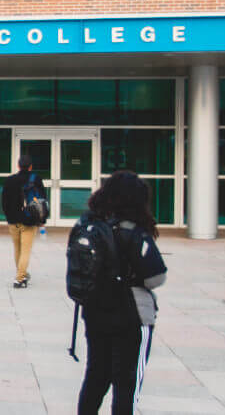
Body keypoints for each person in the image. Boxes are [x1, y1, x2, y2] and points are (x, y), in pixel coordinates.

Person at [74, 171, 168, 415]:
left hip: (95, 311)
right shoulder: (134, 232)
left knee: (96, 377)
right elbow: (155, 278)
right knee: (126, 385)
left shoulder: (92, 226)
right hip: (131, 316)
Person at [3, 155, 48, 289]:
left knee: (17, 249)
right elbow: (42, 201)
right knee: (26, 250)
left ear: (18, 166)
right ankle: (20, 278)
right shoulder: (36, 179)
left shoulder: (10, 180)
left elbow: (4, 202)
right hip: (30, 219)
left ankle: (21, 274)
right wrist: (42, 220)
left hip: (13, 220)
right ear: (30, 167)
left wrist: (9, 217)